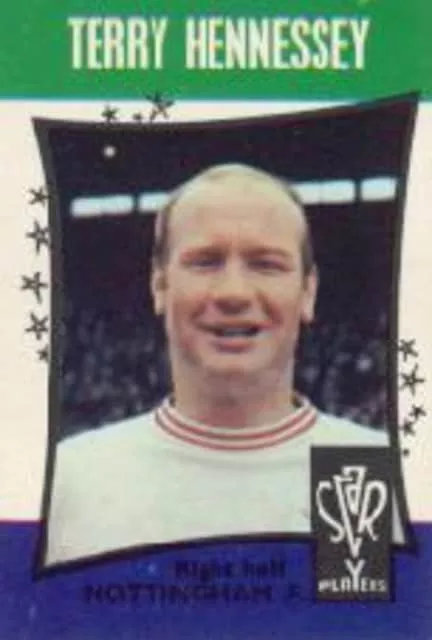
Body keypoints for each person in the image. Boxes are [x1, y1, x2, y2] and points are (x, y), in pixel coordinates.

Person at [45, 163, 397, 565]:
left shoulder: (373, 472)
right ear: (160, 286)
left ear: (307, 292)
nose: (234, 293)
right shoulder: (73, 479)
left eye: (266, 264)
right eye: (205, 262)